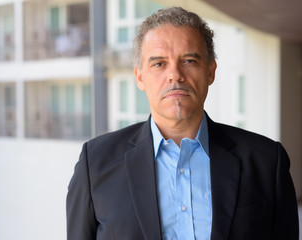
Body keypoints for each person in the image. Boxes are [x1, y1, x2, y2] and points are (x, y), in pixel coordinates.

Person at [66, 7, 299, 240]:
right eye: (159, 64)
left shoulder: (267, 160)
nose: (175, 75)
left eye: (189, 60)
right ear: (139, 77)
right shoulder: (95, 163)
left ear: (210, 71)